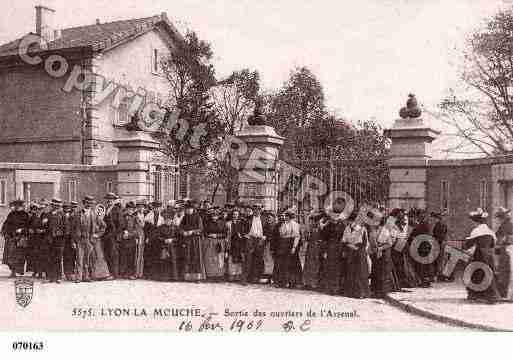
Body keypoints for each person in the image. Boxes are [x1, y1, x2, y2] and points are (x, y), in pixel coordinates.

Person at [463, 208, 499, 304]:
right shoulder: (490, 231)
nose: (472, 224)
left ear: (476, 222)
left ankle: (475, 294)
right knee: (488, 274)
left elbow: (468, 244)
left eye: (473, 222)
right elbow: (493, 244)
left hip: (479, 255)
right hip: (489, 256)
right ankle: (491, 296)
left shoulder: (476, 231)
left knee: (475, 273)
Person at [76, 196, 109, 282]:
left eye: (90, 203)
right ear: (84, 203)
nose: (89, 205)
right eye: (87, 203)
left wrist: (97, 235)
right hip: (80, 239)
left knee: (87, 259)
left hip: (89, 240)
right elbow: (74, 228)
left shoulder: (94, 215)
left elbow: (103, 226)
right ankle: (79, 277)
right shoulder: (78, 214)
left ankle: (86, 277)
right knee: (79, 258)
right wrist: (74, 239)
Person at [319, 203, 347, 295]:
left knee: (338, 269)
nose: (336, 216)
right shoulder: (328, 225)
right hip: (330, 248)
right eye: (334, 214)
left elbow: (345, 239)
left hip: (339, 248)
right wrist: (324, 251)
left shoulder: (343, 225)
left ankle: (336, 288)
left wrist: (343, 250)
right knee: (329, 268)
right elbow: (324, 238)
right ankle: (329, 288)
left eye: (337, 214)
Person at [342, 212, 371, 298]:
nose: (351, 223)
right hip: (350, 251)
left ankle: (361, 293)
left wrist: (358, 248)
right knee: (351, 272)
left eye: (352, 221)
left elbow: (365, 242)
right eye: (350, 221)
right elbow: (344, 240)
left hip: (360, 252)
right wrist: (349, 245)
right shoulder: (347, 229)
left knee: (360, 272)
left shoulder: (362, 229)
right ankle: (351, 292)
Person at [368, 214, 398, 298]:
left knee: (382, 273)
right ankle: (375, 291)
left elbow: (389, 243)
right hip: (375, 254)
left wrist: (380, 248)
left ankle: (382, 292)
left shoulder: (384, 231)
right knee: (375, 272)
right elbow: (371, 242)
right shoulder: (372, 231)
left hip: (384, 254)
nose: (374, 223)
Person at [274, 207, 302, 288]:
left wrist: (294, 247)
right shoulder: (283, 224)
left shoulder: (295, 224)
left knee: (291, 264)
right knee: (282, 264)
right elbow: (281, 235)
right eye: (285, 216)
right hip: (283, 245)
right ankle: (282, 281)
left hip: (290, 245)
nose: (285, 217)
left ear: (290, 217)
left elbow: (297, 237)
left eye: (287, 216)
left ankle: (292, 282)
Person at [1, 199, 29, 277]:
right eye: (16, 205)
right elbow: (6, 223)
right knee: (10, 255)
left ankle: (18, 271)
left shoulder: (25, 215)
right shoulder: (11, 214)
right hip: (11, 237)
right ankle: (12, 271)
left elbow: (28, 226)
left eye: (19, 206)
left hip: (20, 238)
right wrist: (3, 231)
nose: (17, 207)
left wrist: (22, 230)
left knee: (19, 256)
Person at [179, 200, 205, 282]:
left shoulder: (198, 217)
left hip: (195, 241)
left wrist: (192, 231)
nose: (188, 210)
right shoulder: (184, 217)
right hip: (187, 240)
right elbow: (180, 228)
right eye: (187, 209)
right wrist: (183, 232)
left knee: (196, 257)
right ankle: (187, 277)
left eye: (190, 209)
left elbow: (201, 229)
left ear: (193, 209)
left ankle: (197, 277)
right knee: (187, 257)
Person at [241, 204, 266, 285]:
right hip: (250, 239)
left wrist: (265, 237)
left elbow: (267, 229)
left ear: (260, 210)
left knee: (258, 259)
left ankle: (256, 278)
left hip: (260, 239)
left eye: (258, 209)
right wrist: (245, 235)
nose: (256, 211)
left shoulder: (264, 219)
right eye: (255, 209)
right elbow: (242, 228)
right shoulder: (248, 218)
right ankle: (244, 278)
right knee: (248, 259)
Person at [409, 210, 434, 288]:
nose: (420, 217)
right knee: (423, 264)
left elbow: (416, 233)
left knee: (422, 265)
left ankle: (424, 281)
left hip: (423, 246)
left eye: (421, 215)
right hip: (424, 246)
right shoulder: (423, 224)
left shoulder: (422, 224)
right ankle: (425, 280)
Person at [154, 208, 180, 281]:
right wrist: (164, 240)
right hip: (163, 246)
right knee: (164, 261)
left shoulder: (175, 228)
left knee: (173, 260)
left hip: (173, 247)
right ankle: (164, 277)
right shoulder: (160, 228)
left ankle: (174, 277)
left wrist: (172, 240)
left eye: (169, 220)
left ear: (172, 220)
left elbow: (179, 238)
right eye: (166, 220)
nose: (168, 221)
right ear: (164, 220)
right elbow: (157, 237)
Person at [202, 207, 228, 281]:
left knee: (219, 259)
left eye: (216, 215)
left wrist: (217, 236)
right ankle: (210, 275)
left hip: (219, 242)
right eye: (213, 215)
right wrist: (209, 235)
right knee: (210, 259)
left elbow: (225, 233)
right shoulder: (207, 222)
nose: (214, 217)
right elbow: (205, 232)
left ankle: (219, 275)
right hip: (209, 242)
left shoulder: (222, 223)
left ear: (218, 216)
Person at [303, 210, 325, 290]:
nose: (313, 222)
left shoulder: (321, 227)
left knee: (316, 265)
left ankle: (315, 283)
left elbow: (323, 238)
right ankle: (307, 282)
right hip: (311, 247)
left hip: (318, 248)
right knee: (309, 265)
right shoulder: (310, 228)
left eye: (315, 220)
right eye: (312, 221)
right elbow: (307, 238)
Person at [494, 207, 513, 300]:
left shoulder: (503, 226)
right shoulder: (510, 225)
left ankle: (504, 293)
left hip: (506, 250)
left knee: (504, 271)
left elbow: (499, 240)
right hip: (508, 249)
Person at [103, 192, 122, 279]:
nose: (109, 201)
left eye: (111, 200)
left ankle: (114, 274)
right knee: (107, 254)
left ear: (114, 201)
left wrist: (115, 234)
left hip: (113, 236)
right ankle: (109, 273)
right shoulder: (105, 209)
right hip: (106, 235)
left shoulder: (117, 210)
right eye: (108, 200)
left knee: (113, 254)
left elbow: (121, 225)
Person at [143, 201, 164, 279]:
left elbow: (161, 230)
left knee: (157, 256)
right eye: (155, 208)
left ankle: (156, 274)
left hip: (157, 239)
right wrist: (147, 238)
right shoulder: (148, 217)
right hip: (150, 239)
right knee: (149, 256)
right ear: (153, 208)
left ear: (160, 208)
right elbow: (146, 229)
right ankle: (148, 274)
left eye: (158, 208)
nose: (157, 209)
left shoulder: (161, 218)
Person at [118, 201, 138, 280]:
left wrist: (129, 234)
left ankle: (131, 273)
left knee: (131, 257)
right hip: (123, 240)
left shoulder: (135, 218)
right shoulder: (122, 217)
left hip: (131, 240)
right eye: (128, 209)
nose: (130, 210)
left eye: (131, 209)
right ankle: (123, 273)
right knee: (123, 256)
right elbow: (120, 227)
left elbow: (137, 230)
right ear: (126, 209)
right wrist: (123, 232)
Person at [47, 199, 65, 283]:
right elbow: (47, 227)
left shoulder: (62, 215)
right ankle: (52, 276)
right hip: (50, 239)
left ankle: (58, 276)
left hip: (59, 239)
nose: (55, 207)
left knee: (58, 258)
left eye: (57, 206)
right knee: (51, 257)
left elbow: (66, 227)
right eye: (54, 205)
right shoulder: (49, 214)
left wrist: (60, 233)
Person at [226, 209, 246, 281]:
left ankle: (238, 275)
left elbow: (243, 233)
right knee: (231, 259)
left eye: (236, 214)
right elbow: (227, 233)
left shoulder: (241, 223)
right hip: (232, 242)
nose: (235, 216)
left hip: (239, 243)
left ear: (238, 215)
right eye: (234, 214)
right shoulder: (228, 223)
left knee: (238, 259)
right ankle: (231, 274)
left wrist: (241, 236)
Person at [431, 211, 450, 282]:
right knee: (441, 260)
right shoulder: (443, 224)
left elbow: (437, 234)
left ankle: (439, 275)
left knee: (439, 260)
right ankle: (441, 275)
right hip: (441, 242)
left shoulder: (439, 225)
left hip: (439, 243)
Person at [62, 203, 78, 281]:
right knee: (66, 256)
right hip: (64, 238)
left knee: (72, 256)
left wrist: (73, 240)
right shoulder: (62, 216)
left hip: (72, 238)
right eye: (65, 209)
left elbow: (75, 229)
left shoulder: (74, 217)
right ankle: (67, 273)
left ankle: (71, 272)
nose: (67, 211)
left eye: (68, 210)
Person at [134, 200, 147, 278]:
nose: (141, 208)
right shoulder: (135, 216)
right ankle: (136, 273)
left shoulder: (146, 215)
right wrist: (136, 237)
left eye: (142, 207)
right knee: (137, 255)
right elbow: (134, 227)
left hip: (144, 236)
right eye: (139, 207)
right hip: (138, 236)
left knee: (142, 255)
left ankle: (141, 273)